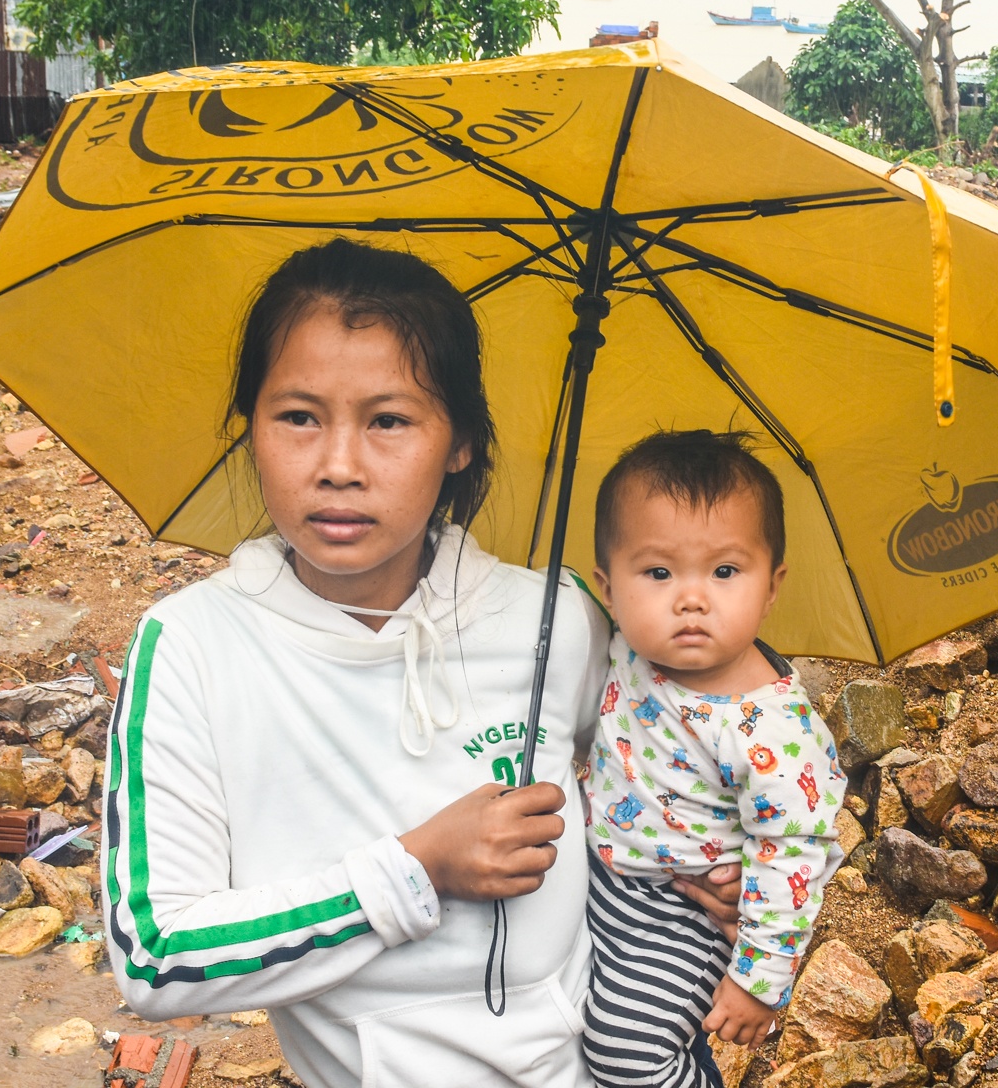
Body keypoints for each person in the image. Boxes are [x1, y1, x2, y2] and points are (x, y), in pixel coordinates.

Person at [101, 239, 737, 1088]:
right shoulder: (194, 648)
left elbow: (675, 757)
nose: (337, 466)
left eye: (389, 421)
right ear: (247, 427)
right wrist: (414, 871)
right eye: (298, 416)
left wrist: (716, 864)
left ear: (461, 442)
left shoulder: (558, 617)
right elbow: (156, 960)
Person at [582, 430, 848, 1088]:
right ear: (607, 588)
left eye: (725, 572)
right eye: (658, 573)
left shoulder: (772, 730)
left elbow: (793, 851)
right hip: (596, 875)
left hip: (682, 915)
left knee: (625, 1053)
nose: (692, 598)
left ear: (772, 584)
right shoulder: (628, 645)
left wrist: (758, 981)